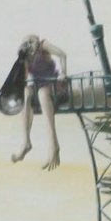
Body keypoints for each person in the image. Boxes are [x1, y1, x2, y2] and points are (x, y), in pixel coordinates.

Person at [10, 34, 68, 170]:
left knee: (42, 93)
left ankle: (53, 144)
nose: (31, 45)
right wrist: (21, 60)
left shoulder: (43, 45)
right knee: (25, 93)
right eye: (27, 43)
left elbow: (62, 55)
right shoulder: (26, 55)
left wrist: (63, 72)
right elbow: (24, 77)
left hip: (53, 84)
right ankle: (26, 142)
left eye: (32, 41)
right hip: (37, 85)